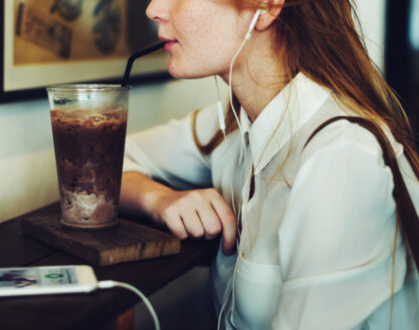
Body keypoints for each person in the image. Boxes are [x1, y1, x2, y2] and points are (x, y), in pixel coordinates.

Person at [119, 0, 419, 328]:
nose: (153, 8)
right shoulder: (232, 126)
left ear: (265, 8)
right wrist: (158, 199)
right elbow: (102, 163)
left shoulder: (340, 157)